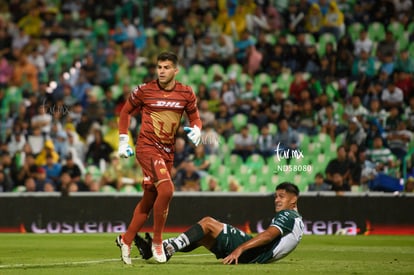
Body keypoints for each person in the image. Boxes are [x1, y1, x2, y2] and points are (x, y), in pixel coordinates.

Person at [116, 51, 202, 264]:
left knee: (150, 199)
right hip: (147, 148)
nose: (162, 71)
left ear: (175, 70)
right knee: (167, 189)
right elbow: (125, 112)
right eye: (159, 67)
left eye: (166, 67)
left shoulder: (186, 93)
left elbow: (195, 118)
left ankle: (126, 240)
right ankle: (157, 241)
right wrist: (123, 140)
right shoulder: (145, 91)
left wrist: (198, 130)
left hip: (167, 152)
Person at [135, 182, 303, 264]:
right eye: (276, 196)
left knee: (207, 223)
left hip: (255, 254)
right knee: (202, 236)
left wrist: (240, 249)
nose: (276, 200)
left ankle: (166, 249)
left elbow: (268, 235)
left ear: (293, 200)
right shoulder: (296, 220)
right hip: (259, 256)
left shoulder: (288, 215)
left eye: (281, 196)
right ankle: (157, 248)